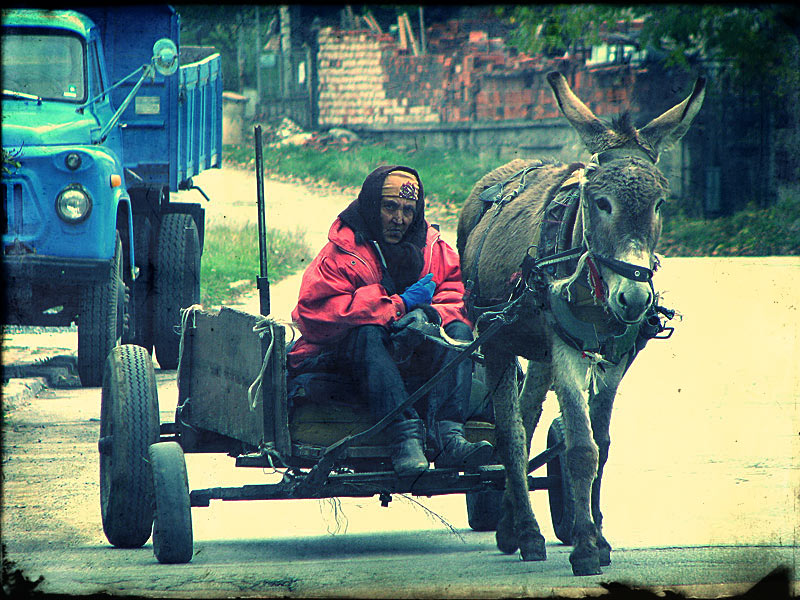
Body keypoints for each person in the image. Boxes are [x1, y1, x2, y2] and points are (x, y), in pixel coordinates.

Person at [288, 165, 493, 477]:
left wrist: (429, 314)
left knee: (459, 331)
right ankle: (405, 438)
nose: (400, 219)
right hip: (353, 365)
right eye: (390, 207)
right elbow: (316, 314)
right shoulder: (342, 251)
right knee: (366, 333)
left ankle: (449, 436)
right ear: (372, 205)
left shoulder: (433, 249)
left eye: (409, 210)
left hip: (413, 359)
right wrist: (397, 305)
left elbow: (458, 297)